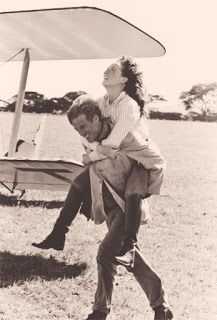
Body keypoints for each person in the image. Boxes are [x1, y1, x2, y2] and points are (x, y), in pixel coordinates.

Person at [32, 97, 173, 320]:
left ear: (96, 118)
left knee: (106, 254)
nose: (82, 133)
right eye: (77, 129)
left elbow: (155, 163)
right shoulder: (90, 140)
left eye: (84, 127)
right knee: (126, 256)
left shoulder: (127, 138)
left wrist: (141, 190)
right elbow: (91, 170)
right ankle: (161, 307)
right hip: (108, 205)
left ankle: (100, 311)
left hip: (128, 208)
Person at [79, 56, 166, 266]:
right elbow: (83, 131)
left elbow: (113, 143)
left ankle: (130, 247)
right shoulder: (100, 103)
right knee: (113, 220)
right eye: (106, 68)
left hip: (140, 160)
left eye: (113, 70)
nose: (106, 72)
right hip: (116, 163)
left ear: (124, 79)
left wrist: (90, 155)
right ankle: (125, 256)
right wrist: (94, 147)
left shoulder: (129, 106)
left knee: (132, 194)